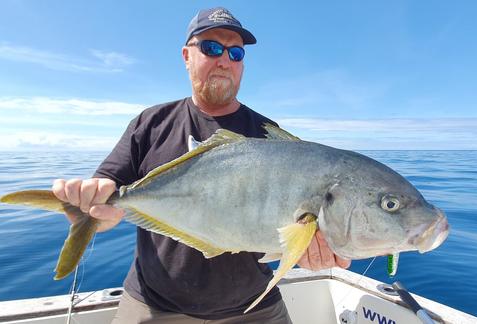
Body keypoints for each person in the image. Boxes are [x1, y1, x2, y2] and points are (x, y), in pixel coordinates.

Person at [52, 7, 350, 324]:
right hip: (155, 306)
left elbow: (291, 230)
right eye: (211, 48)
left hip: (254, 308)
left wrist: (311, 251)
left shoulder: (270, 136)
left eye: (235, 52)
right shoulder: (151, 124)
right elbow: (108, 193)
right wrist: (91, 211)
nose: (225, 60)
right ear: (186, 55)